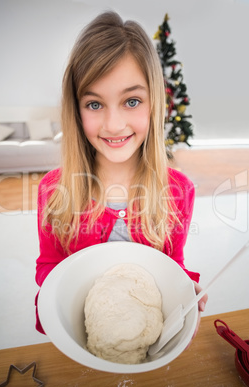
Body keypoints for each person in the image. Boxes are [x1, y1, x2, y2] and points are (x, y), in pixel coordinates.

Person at [35, 11, 208, 334]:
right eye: (95, 104)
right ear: (76, 110)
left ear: (154, 103)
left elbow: (173, 266)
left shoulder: (178, 191)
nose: (114, 125)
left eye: (131, 101)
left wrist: (182, 290)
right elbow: (47, 265)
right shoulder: (53, 189)